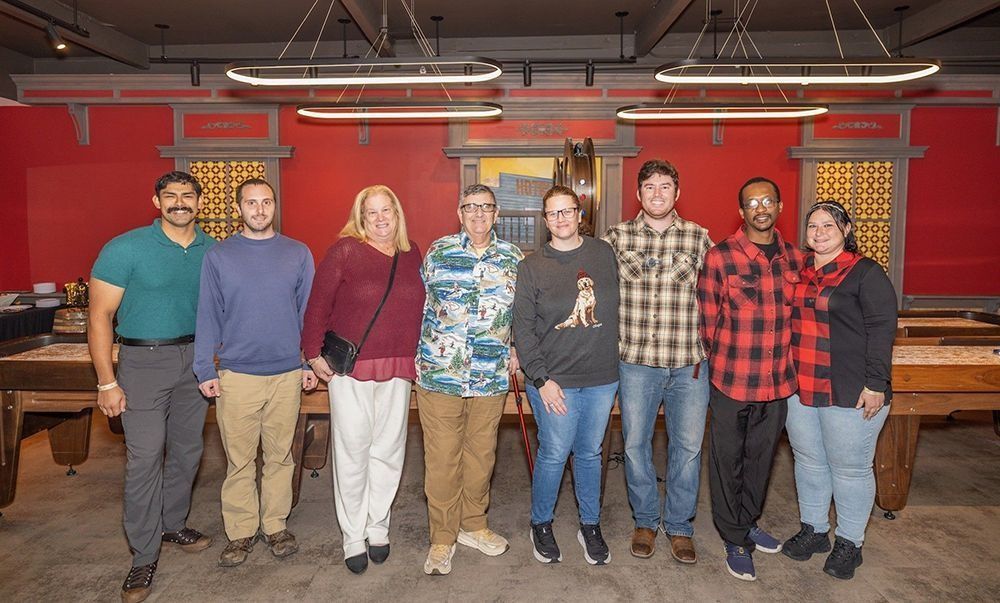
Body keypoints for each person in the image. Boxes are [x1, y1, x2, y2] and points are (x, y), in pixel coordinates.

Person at [88, 171, 215, 603]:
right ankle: (143, 555)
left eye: (187, 195)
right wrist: (107, 381)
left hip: (196, 362)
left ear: (200, 201)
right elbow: (99, 317)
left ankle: (173, 523)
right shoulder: (125, 248)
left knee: (188, 451)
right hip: (142, 362)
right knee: (144, 459)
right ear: (156, 201)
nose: (179, 202)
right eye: (170, 196)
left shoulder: (211, 250)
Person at [300, 185, 425, 575]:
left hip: (400, 364)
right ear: (361, 218)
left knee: (389, 451)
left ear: (398, 213)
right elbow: (317, 303)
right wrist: (311, 353)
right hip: (351, 367)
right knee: (353, 450)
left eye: (386, 210)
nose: (381, 218)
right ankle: (352, 533)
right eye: (372, 213)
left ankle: (378, 526)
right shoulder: (345, 251)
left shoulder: (411, 254)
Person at [193, 178, 317, 567]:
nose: (259, 210)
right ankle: (241, 532)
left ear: (275, 206)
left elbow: (308, 314)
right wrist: (203, 367)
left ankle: (275, 525)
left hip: (285, 374)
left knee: (281, 457)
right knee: (240, 461)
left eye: (266, 202)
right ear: (240, 208)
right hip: (237, 375)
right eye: (251, 203)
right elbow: (208, 313)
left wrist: (308, 362)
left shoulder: (297, 253)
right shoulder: (219, 257)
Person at [602, 159, 712, 563]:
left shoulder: (700, 238)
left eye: (665, 187)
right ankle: (646, 520)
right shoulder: (617, 237)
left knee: (688, 448)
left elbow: (718, 297)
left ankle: (680, 526)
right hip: (635, 363)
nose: (658, 194)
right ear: (638, 193)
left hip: (688, 364)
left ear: (677, 193)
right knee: (634, 446)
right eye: (650, 187)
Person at [782, 200, 897, 580]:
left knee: (850, 470)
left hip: (851, 388)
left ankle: (850, 541)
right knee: (809, 461)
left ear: (846, 230)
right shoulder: (799, 269)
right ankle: (814, 530)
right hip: (802, 386)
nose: (819, 232)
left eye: (828, 226)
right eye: (813, 226)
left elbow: (882, 330)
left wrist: (876, 384)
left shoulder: (865, 273)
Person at [697, 177, 803, 581]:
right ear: (741, 211)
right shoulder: (720, 257)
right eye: (751, 202)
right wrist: (724, 359)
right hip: (732, 379)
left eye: (767, 200)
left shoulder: (796, 259)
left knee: (761, 461)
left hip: (778, 382)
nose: (760, 207)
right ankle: (734, 537)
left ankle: (749, 520)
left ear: (778, 206)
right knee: (728, 461)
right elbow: (707, 323)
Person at [416, 183, 523, 575]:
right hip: (440, 376)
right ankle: (442, 538)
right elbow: (418, 305)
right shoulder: (438, 252)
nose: (478, 213)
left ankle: (473, 525)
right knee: (443, 460)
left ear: (497, 214)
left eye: (486, 207)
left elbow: (522, 314)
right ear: (459, 213)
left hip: (490, 376)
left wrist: (517, 348)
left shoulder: (513, 258)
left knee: (481, 457)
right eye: (470, 207)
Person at [512, 185, 620, 566]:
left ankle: (589, 524)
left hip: (602, 377)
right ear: (545, 220)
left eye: (567, 211)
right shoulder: (531, 266)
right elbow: (522, 330)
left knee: (590, 453)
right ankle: (541, 522)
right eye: (552, 213)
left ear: (580, 213)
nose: (561, 219)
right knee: (555, 453)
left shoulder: (603, 254)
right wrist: (541, 380)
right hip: (553, 380)